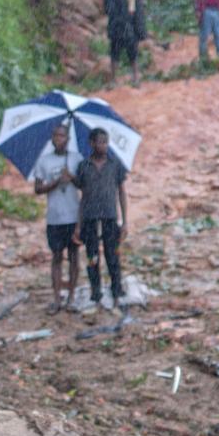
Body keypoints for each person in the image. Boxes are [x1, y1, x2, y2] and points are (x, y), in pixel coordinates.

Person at [31, 124, 84, 314]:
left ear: (68, 139)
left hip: (73, 216)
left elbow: (84, 186)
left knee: (74, 257)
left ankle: (71, 297)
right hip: (54, 218)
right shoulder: (44, 161)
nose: (58, 139)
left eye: (62, 136)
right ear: (52, 139)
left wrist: (71, 177)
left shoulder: (77, 159)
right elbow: (37, 189)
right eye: (55, 136)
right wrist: (55, 182)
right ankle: (56, 298)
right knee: (56, 257)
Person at [74, 128, 129, 310]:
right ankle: (95, 291)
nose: (103, 145)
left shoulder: (115, 164)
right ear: (91, 143)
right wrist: (78, 225)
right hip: (90, 217)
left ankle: (116, 289)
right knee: (92, 257)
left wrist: (125, 221)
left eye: (106, 142)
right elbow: (82, 196)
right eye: (99, 142)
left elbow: (121, 192)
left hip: (109, 216)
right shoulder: (83, 166)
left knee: (112, 255)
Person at [104, 0, 147, 87]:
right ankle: (113, 80)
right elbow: (109, 4)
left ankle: (135, 79)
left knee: (133, 49)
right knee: (116, 50)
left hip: (132, 21)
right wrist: (117, 17)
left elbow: (136, 3)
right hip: (119, 22)